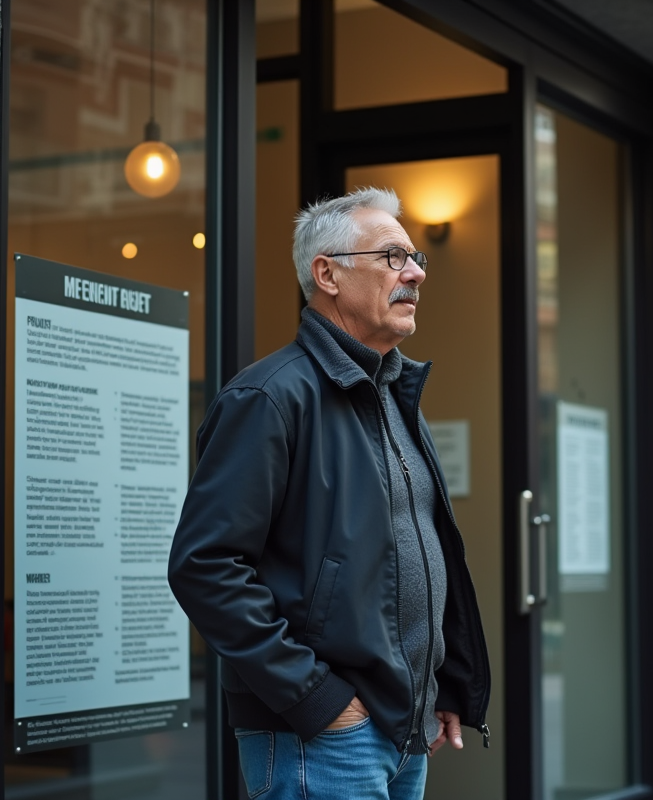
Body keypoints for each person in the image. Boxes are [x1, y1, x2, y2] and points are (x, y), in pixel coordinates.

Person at [168, 187, 491, 800]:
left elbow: (417, 551)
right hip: (320, 735)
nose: (416, 273)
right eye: (392, 257)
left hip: (401, 726)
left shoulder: (394, 395)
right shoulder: (268, 398)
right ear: (328, 275)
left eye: (415, 257)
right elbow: (205, 566)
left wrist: (444, 682)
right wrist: (318, 699)